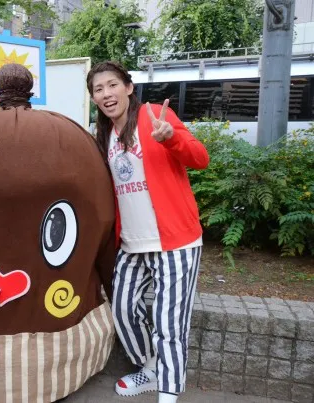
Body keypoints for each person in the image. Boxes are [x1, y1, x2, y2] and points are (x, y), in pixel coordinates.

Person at [86, 61, 209, 403]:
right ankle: (151, 367)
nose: (106, 93)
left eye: (112, 85)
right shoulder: (105, 134)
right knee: (123, 311)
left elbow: (200, 157)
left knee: (170, 324)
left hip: (174, 242)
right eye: (98, 89)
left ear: (128, 87)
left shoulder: (155, 115)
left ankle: (168, 393)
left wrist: (171, 139)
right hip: (132, 243)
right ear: (94, 98)